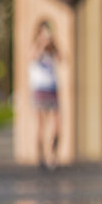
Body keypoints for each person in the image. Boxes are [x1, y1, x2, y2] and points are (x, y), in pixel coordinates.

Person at [29, 18, 61, 170]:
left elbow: (62, 59)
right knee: (40, 125)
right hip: (40, 89)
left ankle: (53, 157)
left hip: (52, 88)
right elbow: (32, 57)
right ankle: (40, 158)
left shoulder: (52, 48)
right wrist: (41, 44)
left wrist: (54, 45)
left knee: (57, 125)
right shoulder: (35, 46)